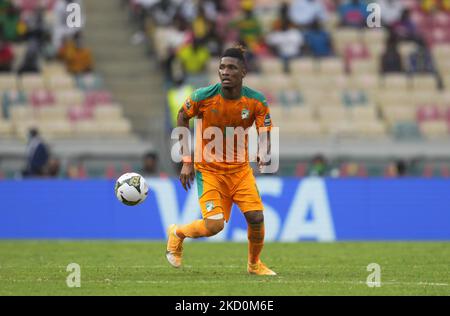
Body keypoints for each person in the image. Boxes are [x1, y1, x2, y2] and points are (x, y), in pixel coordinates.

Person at [166, 45, 276, 276]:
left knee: (256, 217)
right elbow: (181, 116)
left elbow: (266, 129)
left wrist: (264, 150)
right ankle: (177, 233)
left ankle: (254, 265)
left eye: (232, 68)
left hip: (239, 170)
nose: (225, 72)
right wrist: (187, 160)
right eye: (222, 67)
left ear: (243, 72)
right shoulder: (203, 97)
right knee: (214, 226)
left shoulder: (256, 101)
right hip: (209, 171)